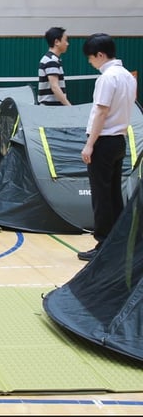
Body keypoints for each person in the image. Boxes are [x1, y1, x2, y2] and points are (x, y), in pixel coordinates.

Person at [77, 33, 137, 262]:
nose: (90, 63)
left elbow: (101, 111)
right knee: (113, 194)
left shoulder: (107, 78)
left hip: (103, 141)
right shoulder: (128, 77)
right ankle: (117, 242)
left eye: (91, 58)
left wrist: (89, 145)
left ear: (100, 55)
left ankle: (103, 243)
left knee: (101, 196)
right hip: (119, 140)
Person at [39, 27, 72, 106]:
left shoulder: (53, 59)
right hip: (51, 109)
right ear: (57, 42)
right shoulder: (51, 60)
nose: (67, 43)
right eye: (65, 40)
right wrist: (69, 107)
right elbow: (55, 87)